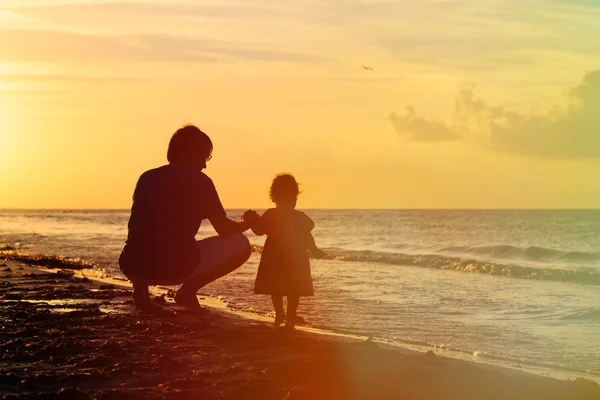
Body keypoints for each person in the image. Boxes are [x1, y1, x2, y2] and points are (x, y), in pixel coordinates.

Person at [118, 124, 258, 314]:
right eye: (204, 156)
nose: (205, 164)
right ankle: (187, 292)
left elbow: (142, 224)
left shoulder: (147, 177)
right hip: (173, 268)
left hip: (131, 264)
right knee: (241, 244)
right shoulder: (200, 182)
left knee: (148, 239)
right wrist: (247, 223)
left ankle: (140, 289)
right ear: (191, 153)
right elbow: (224, 229)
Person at [247, 173, 325, 330]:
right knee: (293, 288)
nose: (292, 201)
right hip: (295, 258)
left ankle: (281, 314)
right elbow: (307, 236)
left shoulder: (271, 214)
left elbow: (260, 231)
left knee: (276, 287)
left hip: (274, 257)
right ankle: (288, 316)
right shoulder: (300, 217)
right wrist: (314, 249)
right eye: (291, 197)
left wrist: (252, 222)